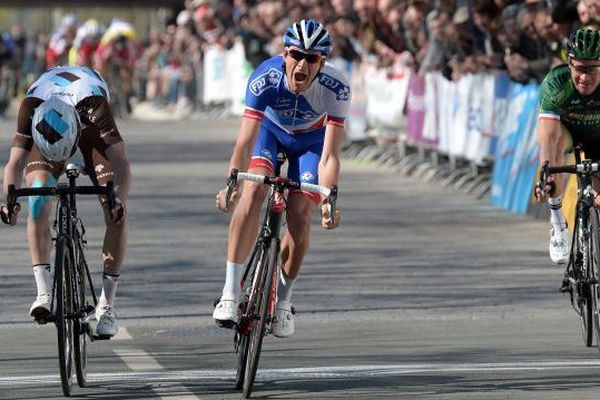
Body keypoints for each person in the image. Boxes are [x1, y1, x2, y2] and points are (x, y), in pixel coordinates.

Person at [212, 19, 351, 338]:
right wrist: (232, 183)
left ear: (322, 63)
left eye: (312, 58)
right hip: (269, 135)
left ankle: (284, 302)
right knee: (253, 191)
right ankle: (230, 293)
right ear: (284, 53)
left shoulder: (336, 87)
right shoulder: (265, 77)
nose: (302, 64)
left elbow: (330, 155)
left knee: (301, 216)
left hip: (310, 144)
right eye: (296, 55)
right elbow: (245, 141)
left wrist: (330, 199)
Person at [1, 65, 131, 337]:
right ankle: (43, 292)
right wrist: (8, 199)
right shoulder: (31, 107)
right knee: (37, 200)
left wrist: (118, 199)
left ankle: (107, 306)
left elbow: (120, 161)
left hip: (89, 136)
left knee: (115, 211)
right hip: (48, 133)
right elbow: (14, 162)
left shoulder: (94, 105)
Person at [535, 28, 600, 265]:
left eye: (592, 69)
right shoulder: (556, 83)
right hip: (566, 131)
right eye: (579, 69)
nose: (584, 77)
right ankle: (558, 222)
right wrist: (546, 173)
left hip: (597, 134)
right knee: (556, 148)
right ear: (569, 64)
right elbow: (549, 138)